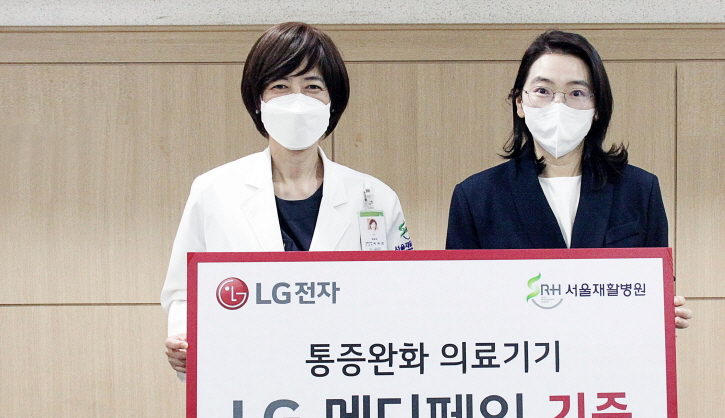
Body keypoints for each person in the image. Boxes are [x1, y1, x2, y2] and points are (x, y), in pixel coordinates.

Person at [162, 23, 413, 376]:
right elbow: (184, 292)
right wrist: (183, 341)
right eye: (280, 86)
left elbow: (403, 296)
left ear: (332, 103)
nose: (297, 101)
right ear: (258, 101)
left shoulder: (375, 198)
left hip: (346, 376)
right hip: (245, 375)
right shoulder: (213, 190)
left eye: (312, 87)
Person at [445, 30, 691, 328]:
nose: (557, 106)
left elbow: (651, 291)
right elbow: (461, 304)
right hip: (521, 352)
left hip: (607, 351)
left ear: (597, 107)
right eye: (542, 91)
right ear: (520, 103)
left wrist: (664, 311)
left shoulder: (639, 189)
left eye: (576, 93)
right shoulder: (476, 197)